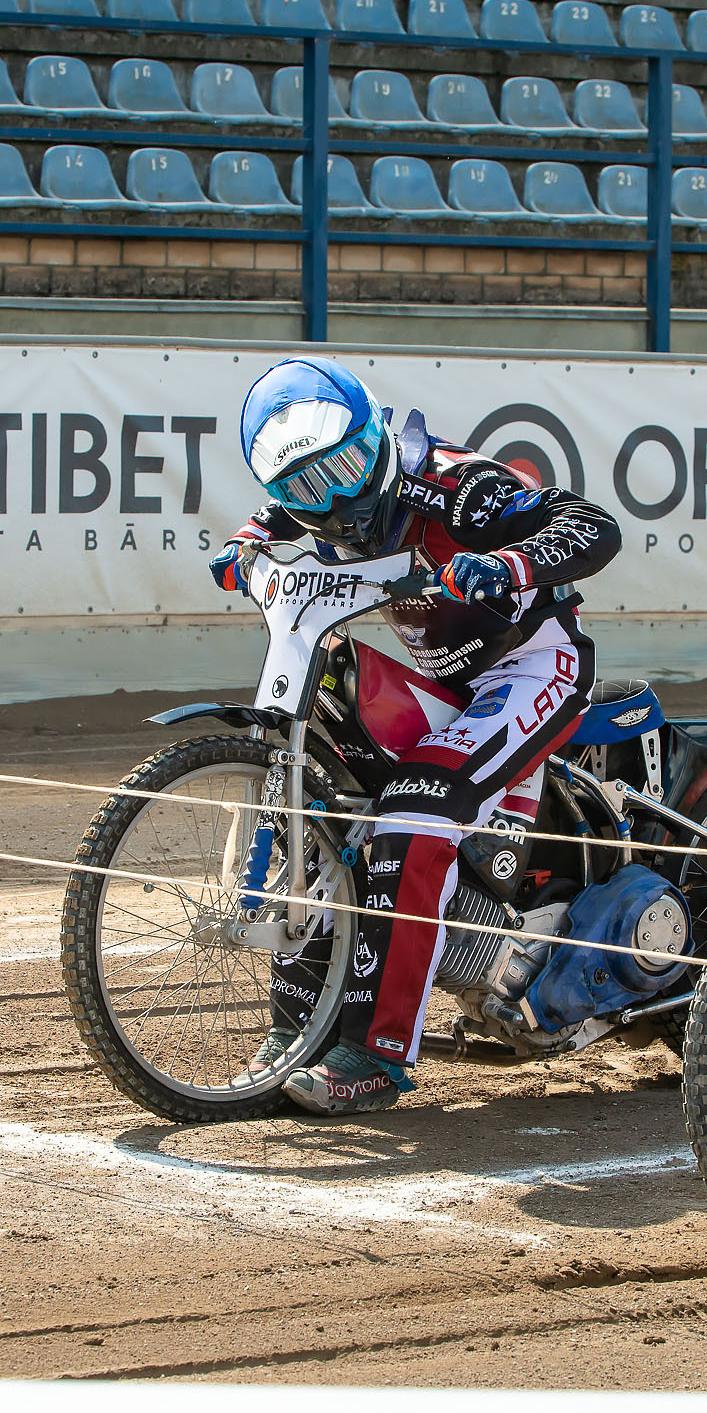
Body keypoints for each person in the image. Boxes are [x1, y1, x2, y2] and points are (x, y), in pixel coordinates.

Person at [211, 357, 621, 1115]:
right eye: (305, 484)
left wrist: (508, 562)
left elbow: (593, 527)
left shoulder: (459, 486)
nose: (331, 498)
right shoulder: (307, 507)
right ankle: (296, 1028)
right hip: (449, 680)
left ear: (375, 436)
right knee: (324, 786)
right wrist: (244, 542)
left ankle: (378, 1051)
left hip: (535, 666)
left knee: (411, 812)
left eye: (343, 465)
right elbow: (275, 516)